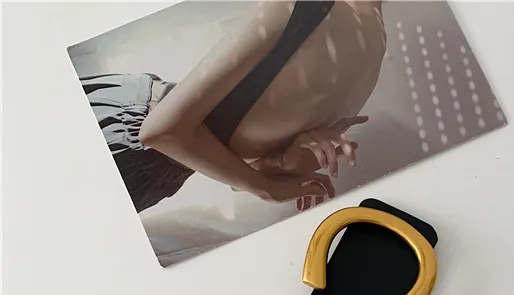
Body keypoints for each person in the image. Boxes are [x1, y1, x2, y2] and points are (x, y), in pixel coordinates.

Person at [81, 0, 386, 213]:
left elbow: (236, 171)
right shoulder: (299, 8)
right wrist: (265, 188)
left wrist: (284, 163)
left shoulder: (375, 49)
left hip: (157, 179)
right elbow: (160, 131)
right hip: (119, 132)